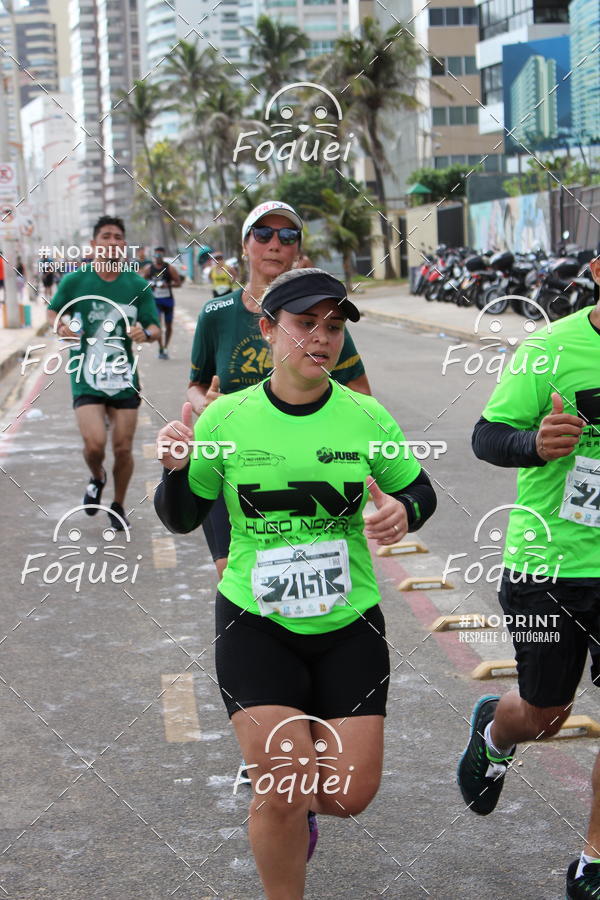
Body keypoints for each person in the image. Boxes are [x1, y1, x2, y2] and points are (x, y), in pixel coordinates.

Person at [155, 268, 437, 898]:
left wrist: (402, 511)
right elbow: (180, 516)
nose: (322, 336)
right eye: (306, 323)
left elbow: (417, 489)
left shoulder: (366, 416)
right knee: (282, 790)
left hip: (350, 622)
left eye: (334, 327)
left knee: (347, 793)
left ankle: (297, 798)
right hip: (256, 621)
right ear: (269, 329)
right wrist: (176, 468)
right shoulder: (227, 418)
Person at [457, 255, 600, 899]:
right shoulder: (550, 347)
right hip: (551, 567)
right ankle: (497, 727)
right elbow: (486, 435)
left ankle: (593, 861)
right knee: (546, 713)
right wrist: (535, 446)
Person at [188, 200, 371, 579]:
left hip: (302, 468)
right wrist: (207, 406)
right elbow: (195, 386)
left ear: (297, 249)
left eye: (288, 236)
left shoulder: (323, 320)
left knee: (303, 574)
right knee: (232, 569)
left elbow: (362, 396)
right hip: (232, 464)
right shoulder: (216, 315)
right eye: (263, 233)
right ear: (245, 244)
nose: (275, 244)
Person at [47, 215, 160, 531]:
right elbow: (53, 311)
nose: (112, 242)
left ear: (124, 246)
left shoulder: (138, 286)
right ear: (94, 245)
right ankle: (97, 475)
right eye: (106, 237)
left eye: (118, 237)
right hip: (87, 375)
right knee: (95, 444)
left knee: (123, 448)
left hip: (124, 379)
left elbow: (155, 327)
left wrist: (146, 334)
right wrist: (60, 325)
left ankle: (118, 505)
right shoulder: (75, 281)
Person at [142, 246, 181, 359]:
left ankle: (165, 346)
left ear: (163, 255)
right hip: (156, 301)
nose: (158, 257)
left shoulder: (169, 268)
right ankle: (160, 348)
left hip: (168, 300)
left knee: (168, 325)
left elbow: (178, 283)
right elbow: (143, 284)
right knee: (158, 324)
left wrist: (168, 285)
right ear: (153, 255)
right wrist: (150, 285)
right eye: (156, 255)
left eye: (160, 255)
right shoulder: (149, 269)